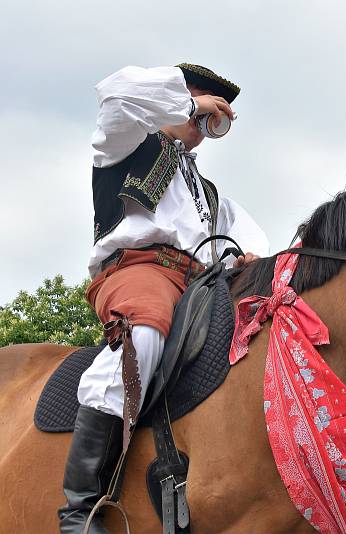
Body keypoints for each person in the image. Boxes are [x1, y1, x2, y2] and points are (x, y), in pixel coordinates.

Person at [58, 64, 270, 533]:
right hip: (140, 271)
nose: (205, 122)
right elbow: (113, 91)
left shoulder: (210, 195)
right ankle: (79, 510)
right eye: (202, 104)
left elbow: (248, 244)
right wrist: (189, 105)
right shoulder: (128, 141)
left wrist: (255, 259)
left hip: (204, 284)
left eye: (213, 115)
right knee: (147, 332)